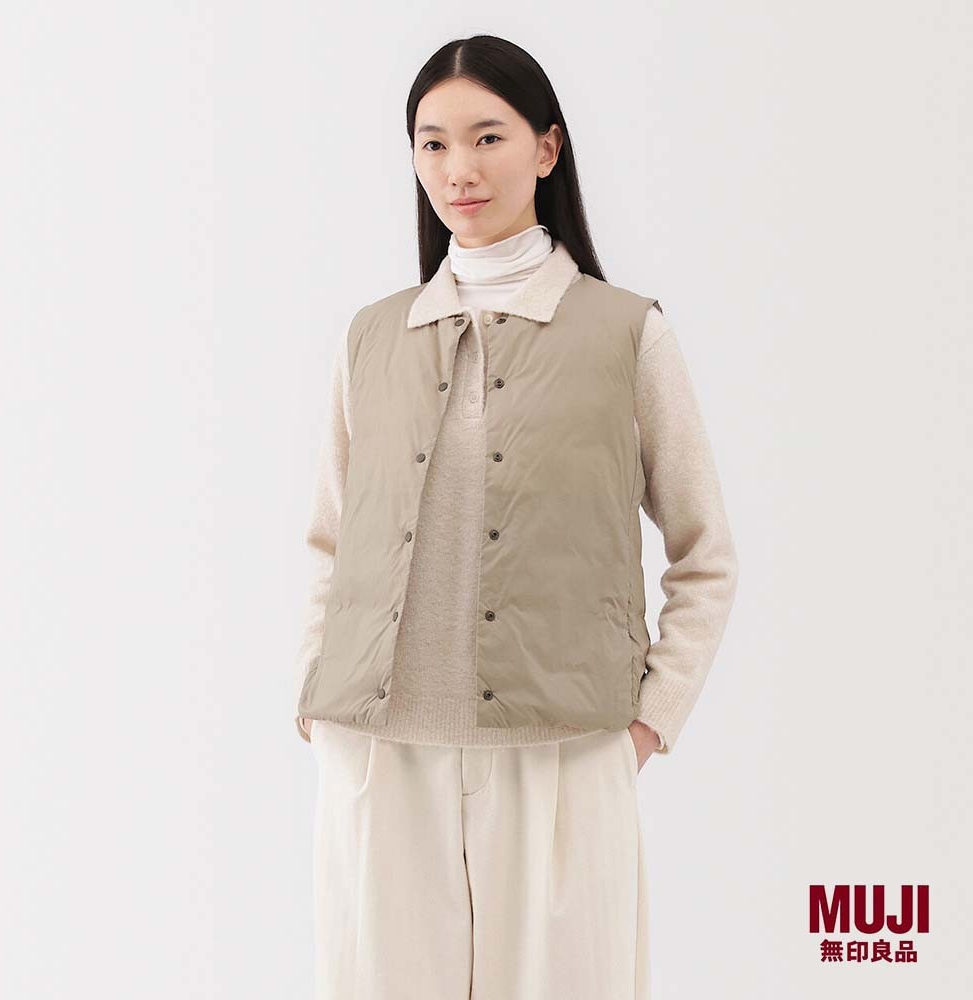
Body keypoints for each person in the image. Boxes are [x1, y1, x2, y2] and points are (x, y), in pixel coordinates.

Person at [293, 34, 738, 1000]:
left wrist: (646, 725)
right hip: (378, 755)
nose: (459, 169)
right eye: (434, 144)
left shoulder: (627, 331)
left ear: (547, 147)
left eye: (487, 137)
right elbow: (329, 538)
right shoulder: (372, 336)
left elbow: (704, 553)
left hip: (564, 755)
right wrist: (315, 704)